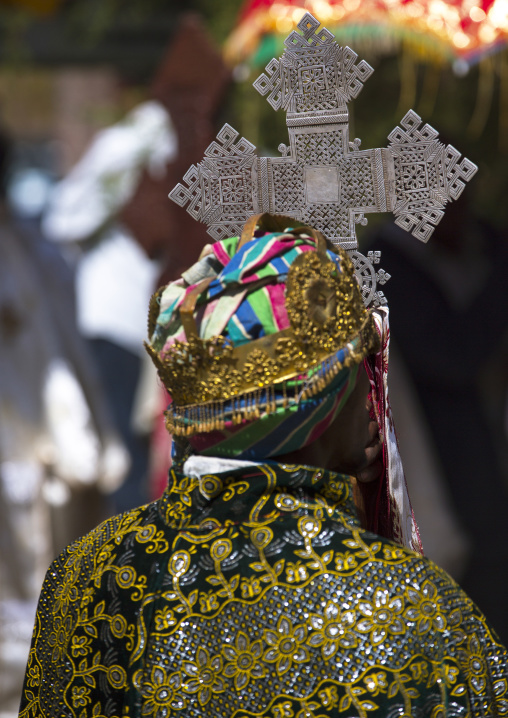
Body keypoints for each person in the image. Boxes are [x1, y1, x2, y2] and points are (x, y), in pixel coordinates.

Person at [19, 214, 508, 717]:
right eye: (359, 374)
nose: (372, 403)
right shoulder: (413, 609)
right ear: (323, 406)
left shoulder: (91, 576)